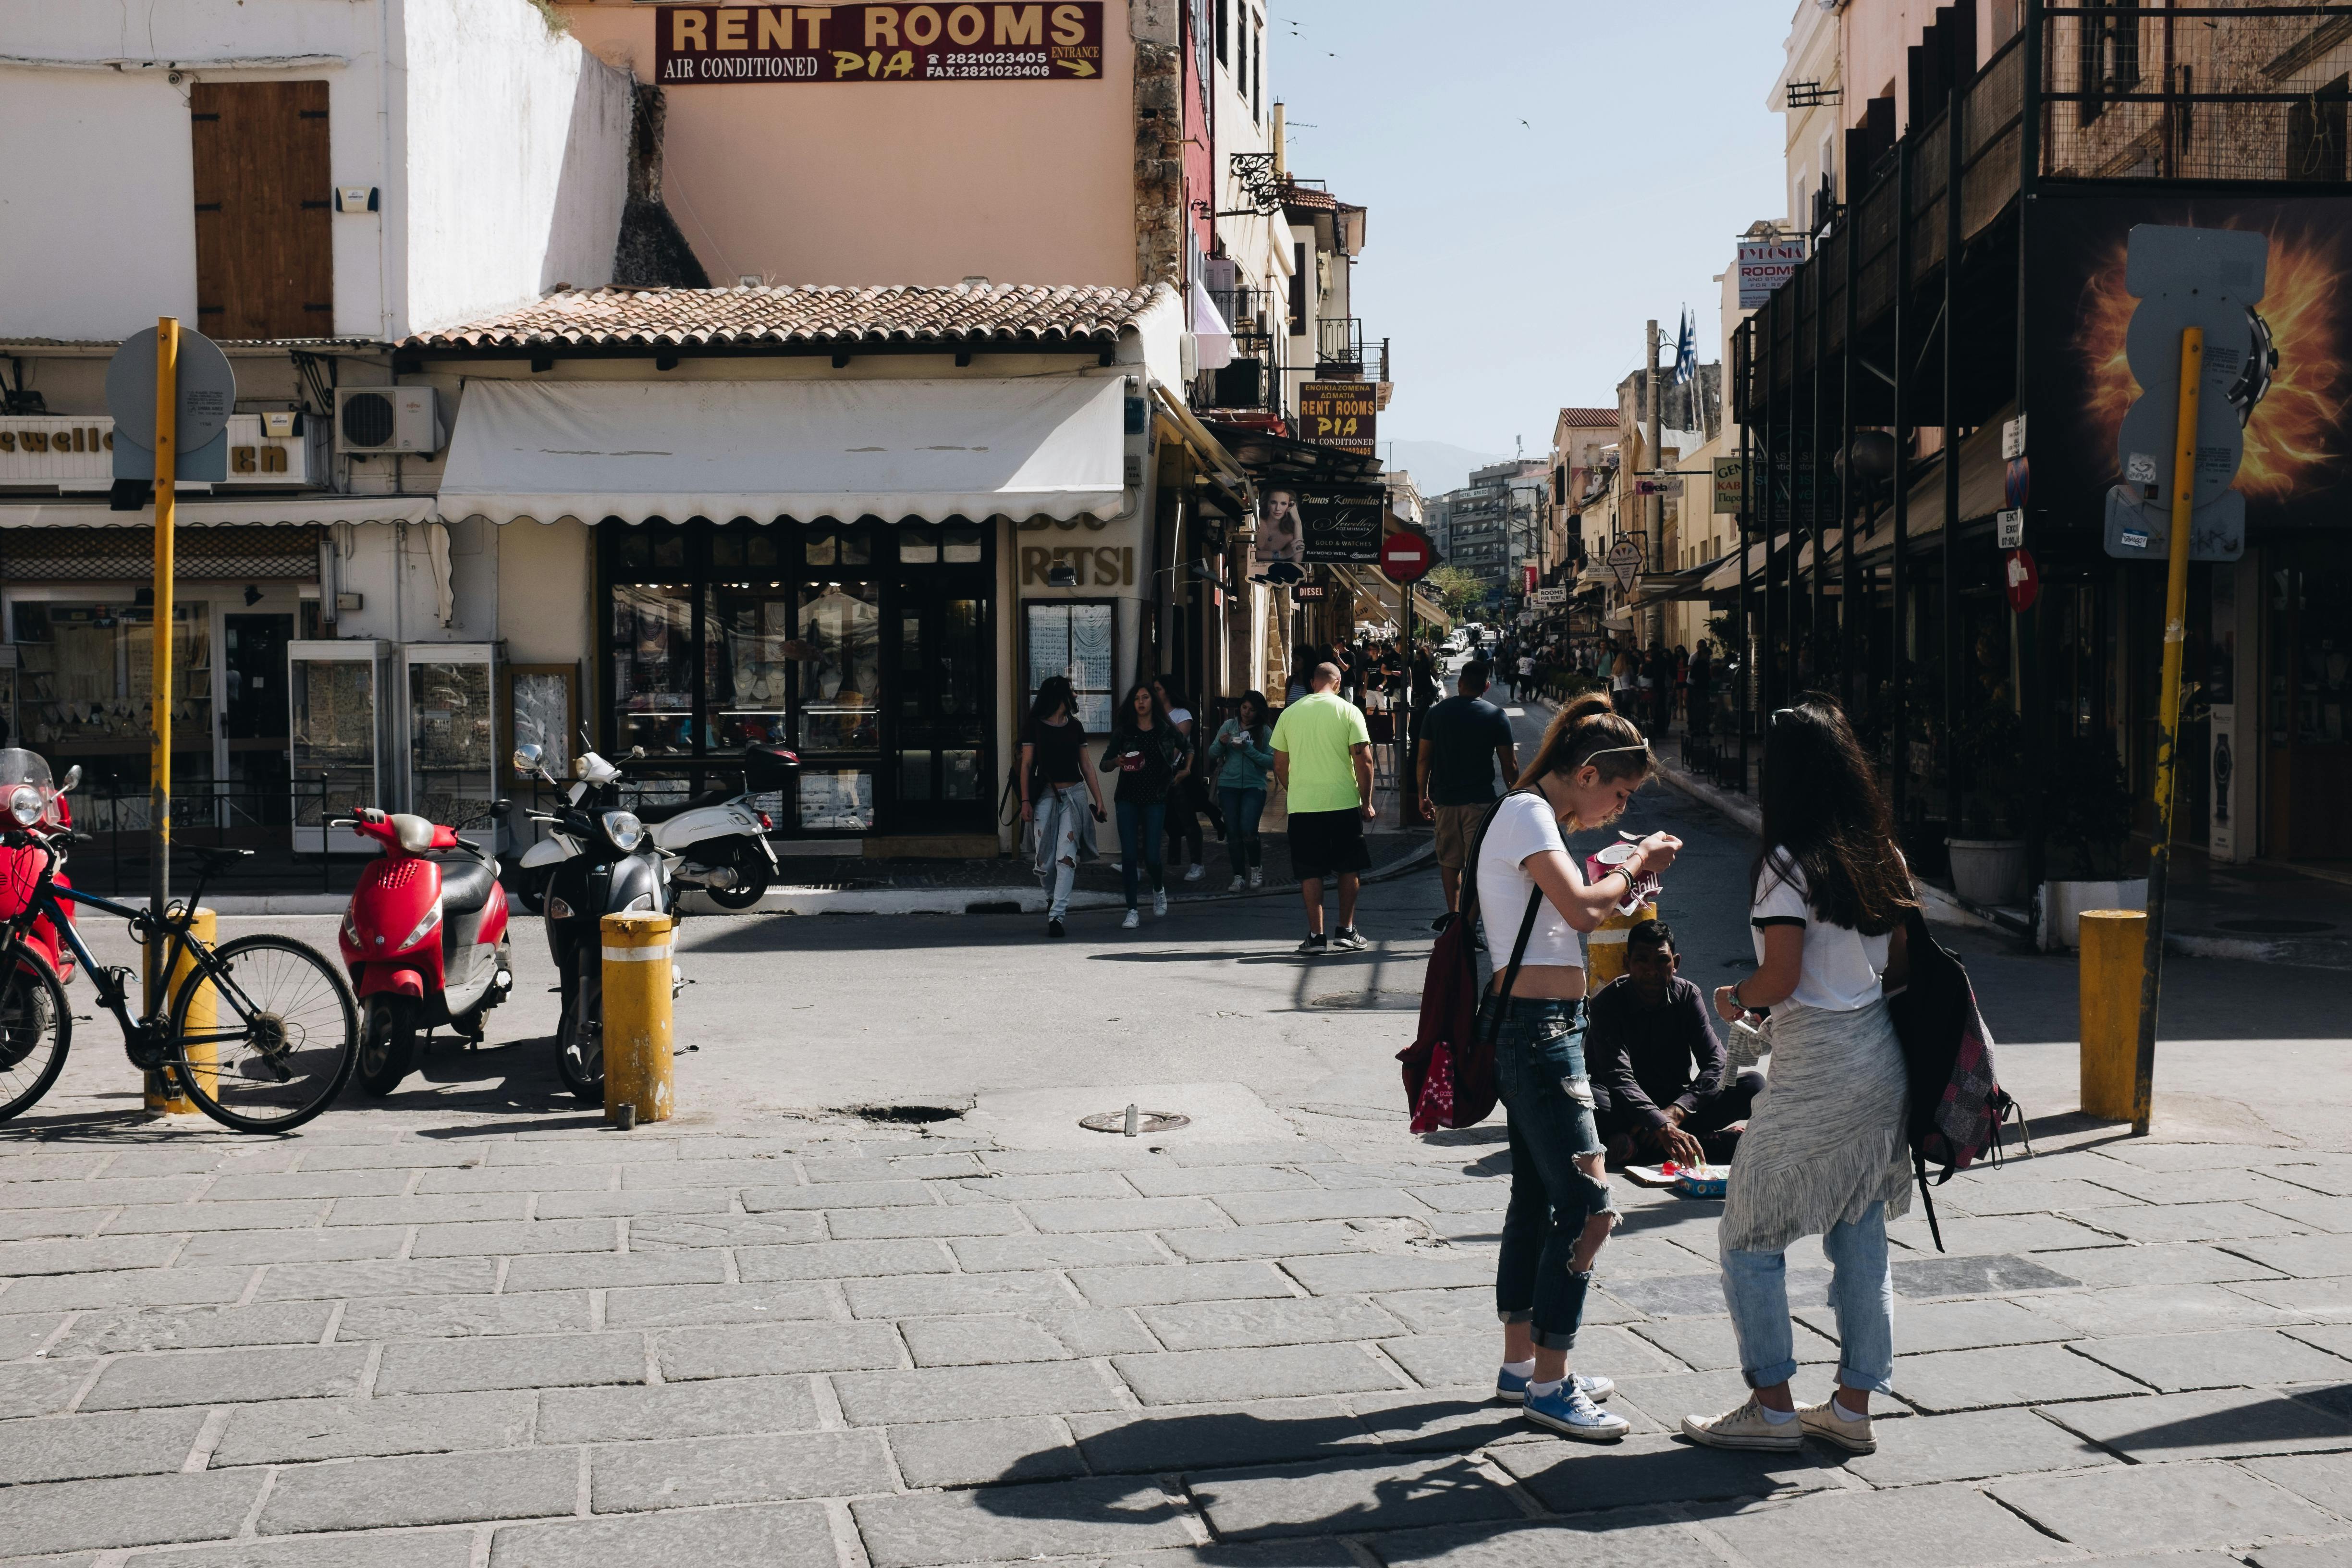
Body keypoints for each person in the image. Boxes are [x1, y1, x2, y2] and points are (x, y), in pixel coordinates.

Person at [1681, 698, 1916, 1458]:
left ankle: (1773, 1406)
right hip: (1880, 1061)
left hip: (1816, 1065)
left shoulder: (1788, 865)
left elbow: (1779, 976)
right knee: (1861, 1236)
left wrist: (1734, 997)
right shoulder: (1882, 854)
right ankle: (1852, 1406)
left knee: (1748, 1234)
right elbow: (1902, 966)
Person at [1477, 692, 1680, 1441]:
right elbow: (1584, 912)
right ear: (1588, 773)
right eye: (1619, 794)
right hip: (1540, 1033)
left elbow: (1568, 910)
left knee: (1535, 1203)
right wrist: (1636, 864)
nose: (1615, 809)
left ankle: (1520, 1366)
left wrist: (1623, 871)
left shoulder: (1537, 819)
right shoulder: (1530, 815)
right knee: (1590, 1210)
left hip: (1545, 1025)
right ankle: (1552, 1385)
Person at [1586, 919, 1762, 1166]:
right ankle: (1708, 1144)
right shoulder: (1606, 1004)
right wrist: (1658, 1122)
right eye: (1642, 960)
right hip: (1624, 1106)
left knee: (1753, 1085)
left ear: (1675, 963)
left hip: (1676, 1105)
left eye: (1662, 960)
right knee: (1586, 1100)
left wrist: (1676, 1113)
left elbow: (1717, 1063)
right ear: (1627, 963)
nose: (1652, 970)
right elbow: (1618, 1077)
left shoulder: (1688, 996)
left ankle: (1639, 1150)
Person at [1270, 662, 1376, 956]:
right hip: (1342, 802)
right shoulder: (1348, 711)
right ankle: (1346, 930)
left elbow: (1279, 763)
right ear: (1338, 682)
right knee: (1348, 865)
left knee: (1310, 870)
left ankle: (1316, 936)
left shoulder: (1290, 714)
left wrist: (1297, 790)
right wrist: (1366, 802)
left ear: (1313, 682)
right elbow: (1364, 761)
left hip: (1304, 807)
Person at [1416, 659, 1518, 932]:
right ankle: (1470, 926)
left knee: (1450, 862)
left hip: (1446, 801)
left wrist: (1423, 796)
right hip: (1481, 802)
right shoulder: (1497, 716)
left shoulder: (1436, 714)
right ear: (1486, 686)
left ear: (1460, 684)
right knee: (1478, 866)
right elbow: (1510, 765)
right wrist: (1516, 796)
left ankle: (1454, 918)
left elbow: (1424, 759)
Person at [1018, 676, 1107, 940]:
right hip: (1046, 796)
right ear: (1059, 696)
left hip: (1074, 797)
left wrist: (1099, 799)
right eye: (1072, 692)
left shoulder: (1076, 727)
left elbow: (1087, 765)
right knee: (1045, 863)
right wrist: (1025, 801)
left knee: (1066, 858)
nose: (1076, 696)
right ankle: (1051, 898)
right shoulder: (1034, 726)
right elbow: (1026, 766)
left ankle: (1057, 916)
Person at [1099, 683, 1189, 931]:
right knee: (1128, 856)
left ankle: (1158, 888)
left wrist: (1185, 770)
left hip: (1155, 797)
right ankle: (1132, 910)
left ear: (1153, 702)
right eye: (1137, 698)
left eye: (1146, 697)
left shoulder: (1165, 729)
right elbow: (1103, 765)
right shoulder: (1124, 731)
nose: (1141, 702)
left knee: (1152, 856)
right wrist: (1117, 761)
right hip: (1127, 798)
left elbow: (1188, 747)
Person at [1210, 690, 1276, 892]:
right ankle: (1238, 876)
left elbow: (1272, 761)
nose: (1247, 713)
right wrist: (1222, 743)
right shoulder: (1229, 726)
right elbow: (1212, 753)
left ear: (1259, 712)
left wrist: (1248, 749)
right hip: (1228, 785)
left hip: (1254, 786)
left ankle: (1256, 867)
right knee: (1233, 832)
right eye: (1244, 707)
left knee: (1248, 830)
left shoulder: (1264, 731)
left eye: (1252, 710)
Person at [1153, 679, 1211, 883]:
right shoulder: (1153, 714)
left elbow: (1176, 746)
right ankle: (1140, 863)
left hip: (1176, 774)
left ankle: (1197, 864)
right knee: (1152, 820)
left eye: (1158, 689)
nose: (1154, 693)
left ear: (1168, 692)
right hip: (1155, 775)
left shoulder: (1182, 715)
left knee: (1187, 820)